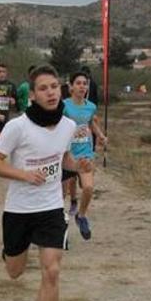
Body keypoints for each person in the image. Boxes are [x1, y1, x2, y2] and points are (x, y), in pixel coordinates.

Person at [0, 65, 90, 301]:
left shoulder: (68, 126)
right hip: (19, 210)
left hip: (50, 207)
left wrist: (77, 166)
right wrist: (23, 175)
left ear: (62, 90)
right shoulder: (17, 127)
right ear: (32, 95)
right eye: (43, 88)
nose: (51, 92)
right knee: (15, 272)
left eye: (54, 86)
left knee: (52, 270)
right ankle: (10, 253)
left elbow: (64, 158)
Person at [62, 72, 107, 240]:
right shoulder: (64, 106)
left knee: (88, 188)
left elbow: (90, 123)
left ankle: (81, 216)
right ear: (71, 87)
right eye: (79, 83)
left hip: (85, 153)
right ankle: (58, 223)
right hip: (67, 156)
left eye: (85, 83)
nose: (82, 86)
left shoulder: (91, 106)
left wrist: (100, 135)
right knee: (61, 194)